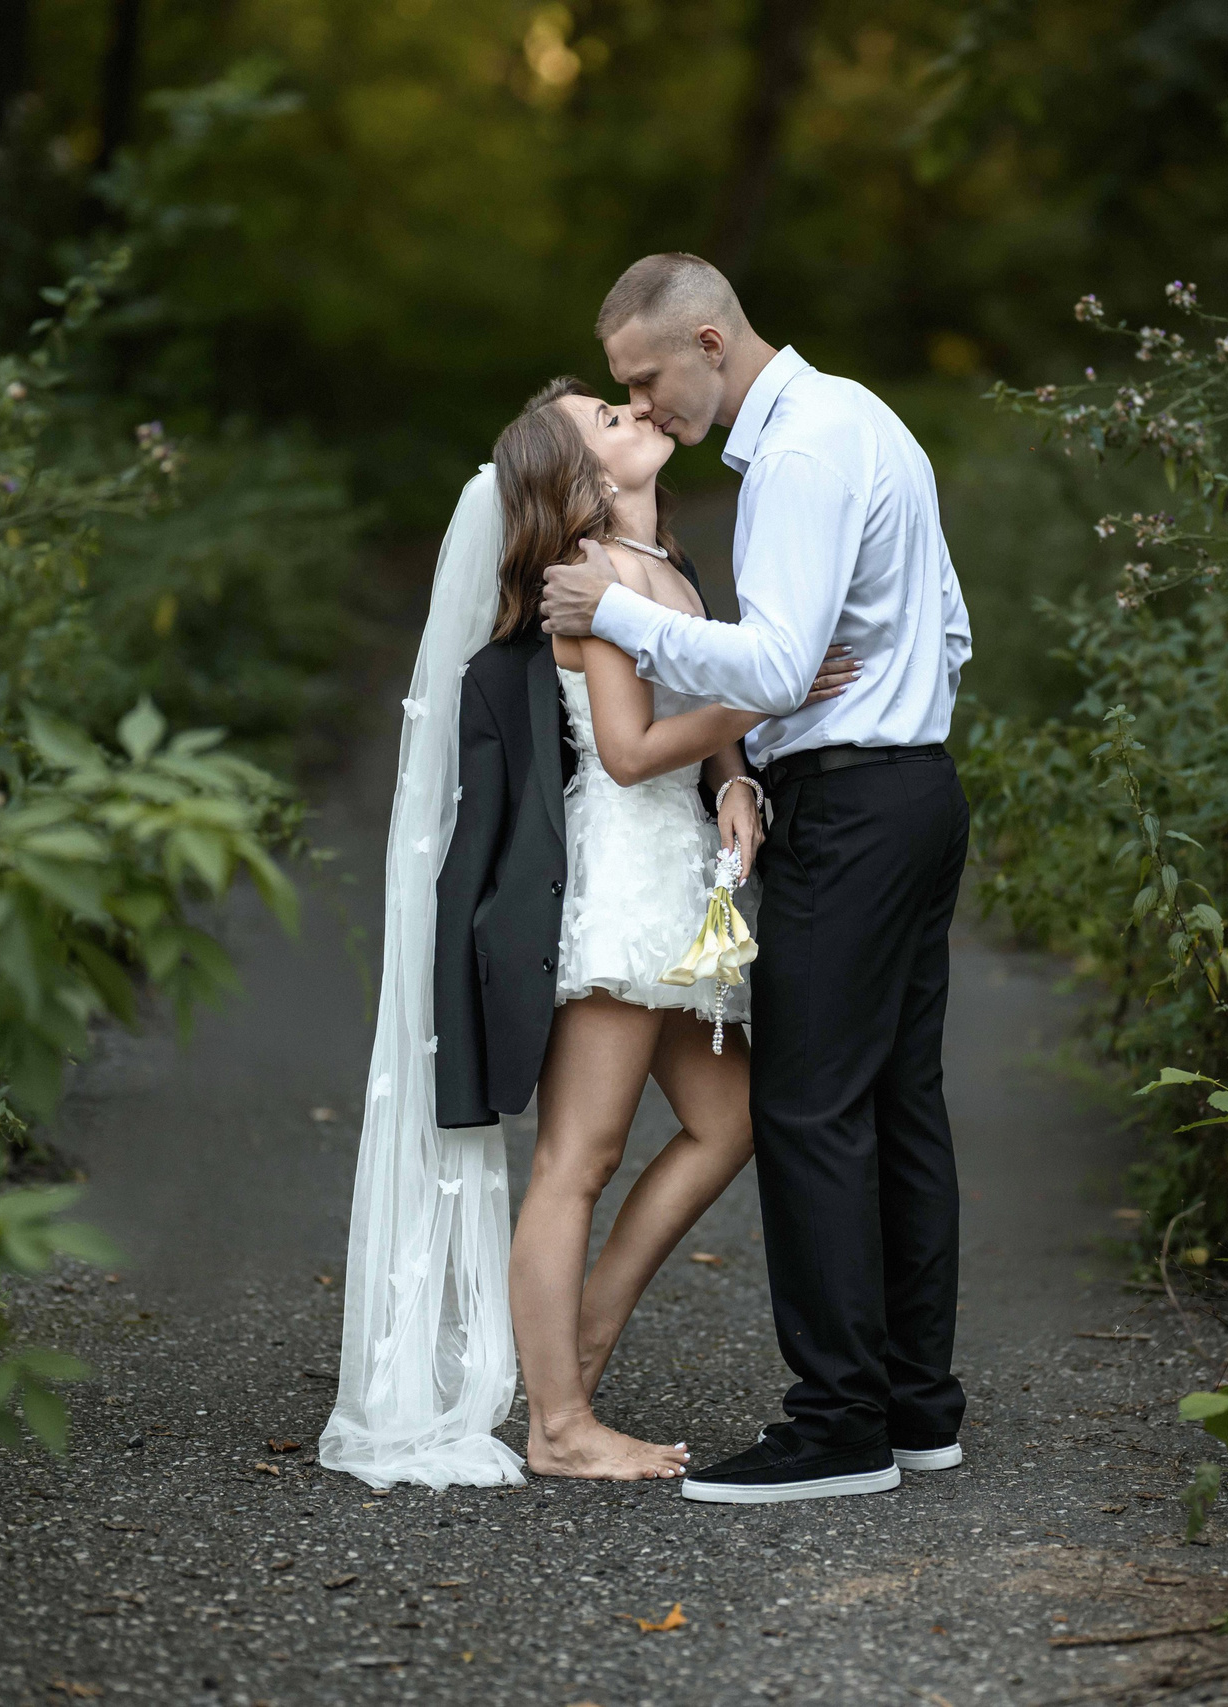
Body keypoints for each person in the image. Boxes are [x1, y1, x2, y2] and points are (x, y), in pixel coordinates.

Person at [318, 377, 854, 1489]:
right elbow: (622, 746)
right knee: (578, 1159)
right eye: (607, 421)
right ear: (580, 484)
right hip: (614, 880)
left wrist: (730, 781)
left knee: (732, 1118)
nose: (634, 412)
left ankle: (587, 1330)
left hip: (674, 876)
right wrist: (774, 694)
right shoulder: (593, 578)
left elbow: (691, 708)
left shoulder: (669, 568)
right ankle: (559, 1421)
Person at [540, 254, 975, 1506]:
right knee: (899, 1105)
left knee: (805, 1108)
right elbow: (944, 630)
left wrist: (618, 617)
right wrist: (823, 705)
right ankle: (913, 1409)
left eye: (647, 377)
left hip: (854, 806)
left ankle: (836, 1426)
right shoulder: (861, 416)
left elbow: (780, 664)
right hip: (915, 790)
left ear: (712, 342)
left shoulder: (793, 455)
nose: (645, 403)